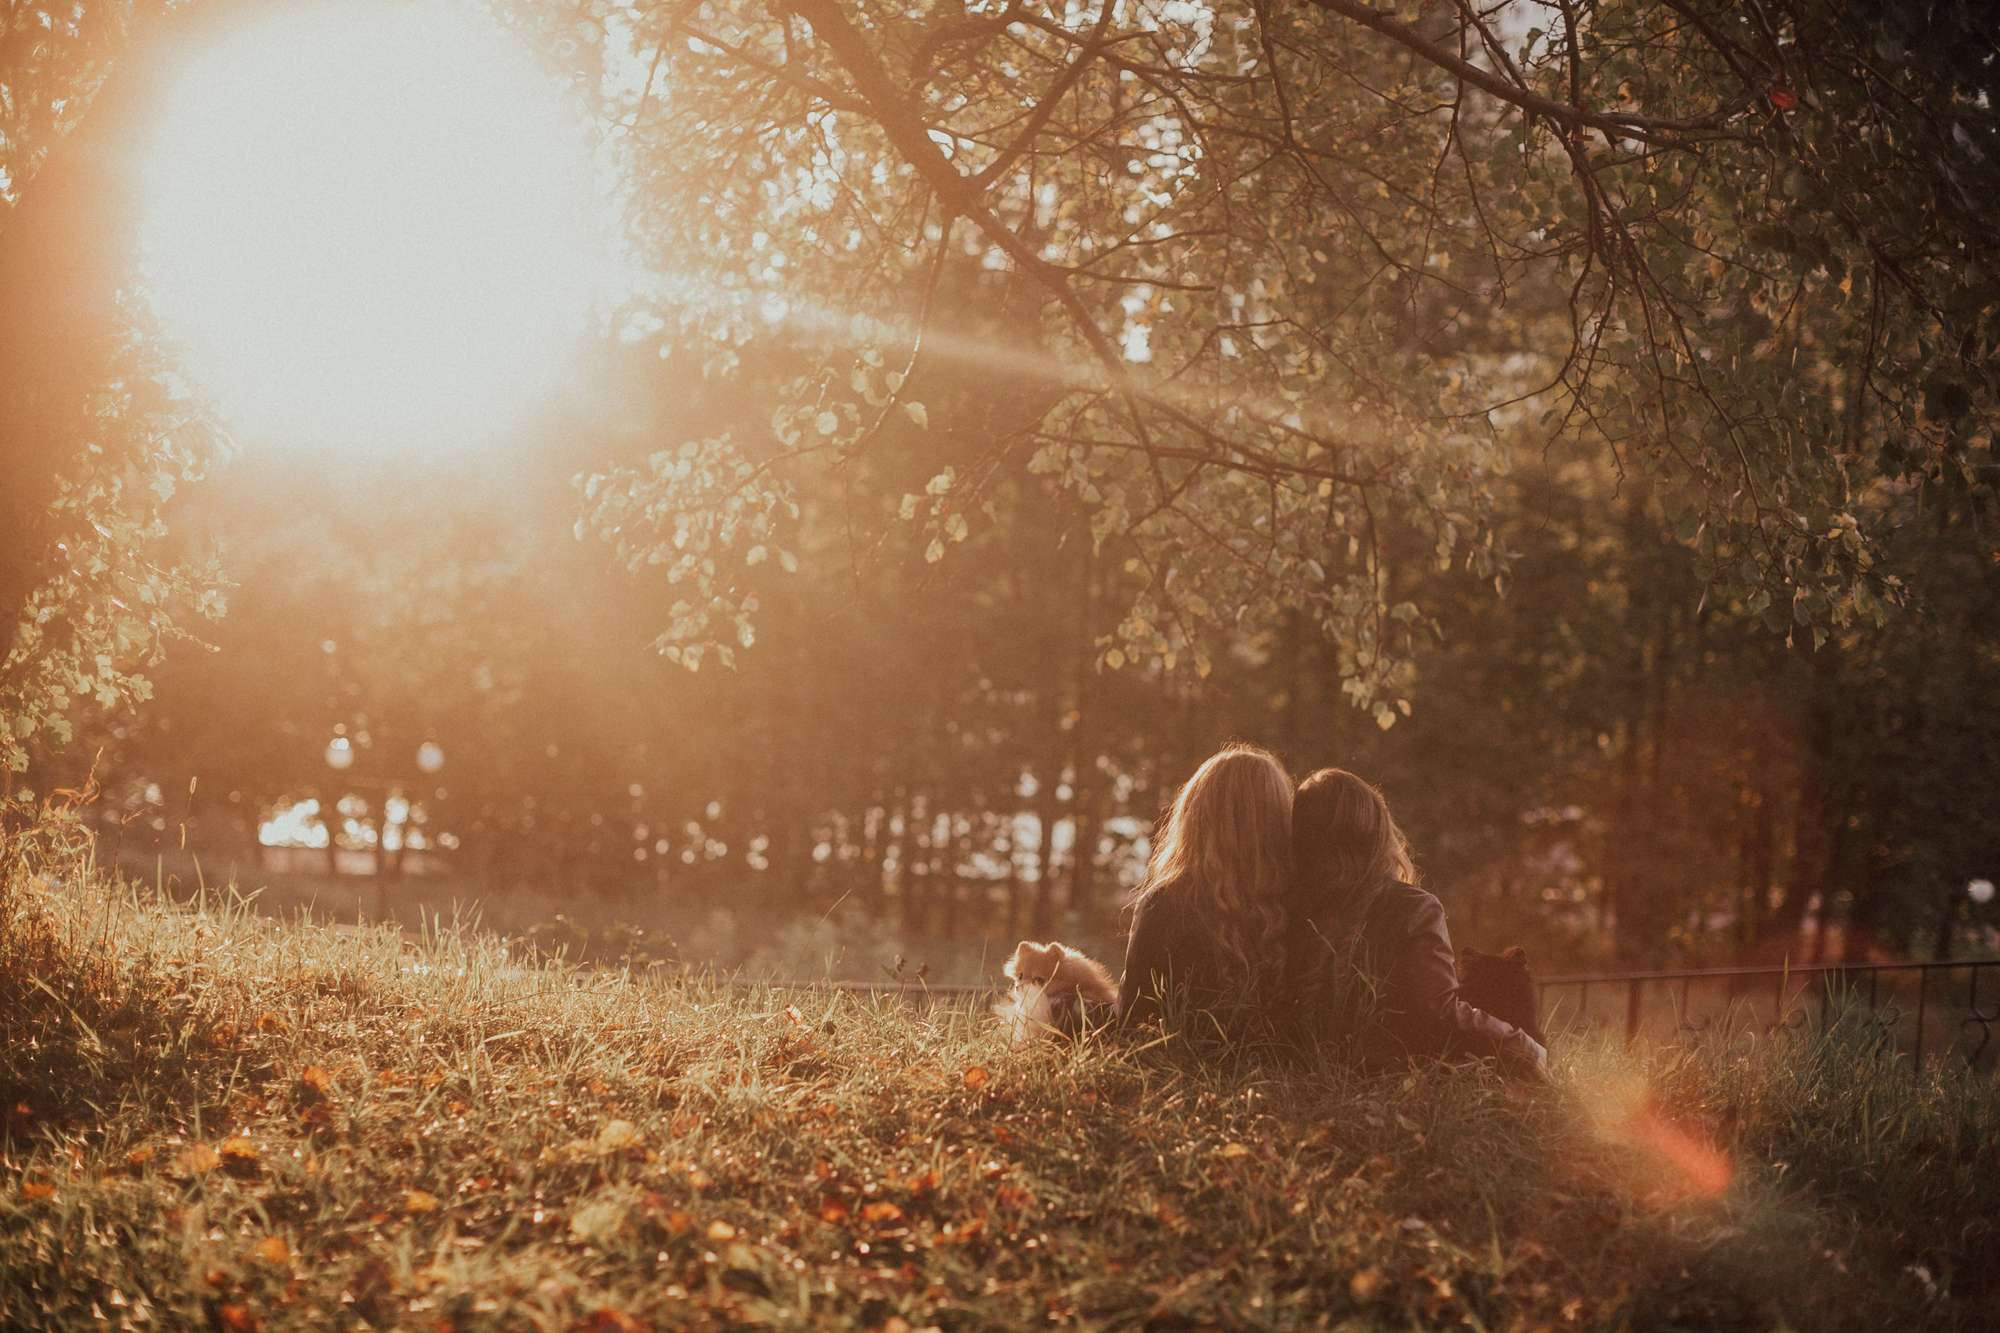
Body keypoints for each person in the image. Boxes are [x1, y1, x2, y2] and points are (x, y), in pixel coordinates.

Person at [1285, 767, 1547, 1076]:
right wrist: (1522, 1046)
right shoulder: (1413, 909)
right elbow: (1438, 1012)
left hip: (1297, 1078)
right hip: (1389, 1087)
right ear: (1377, 831)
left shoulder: (1284, 906)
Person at [1117, 743, 1295, 1035]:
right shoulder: (1302, 902)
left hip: (1181, 1072)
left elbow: (1131, 1021)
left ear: (1195, 816)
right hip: (1282, 1073)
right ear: (1279, 818)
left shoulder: (1163, 904)